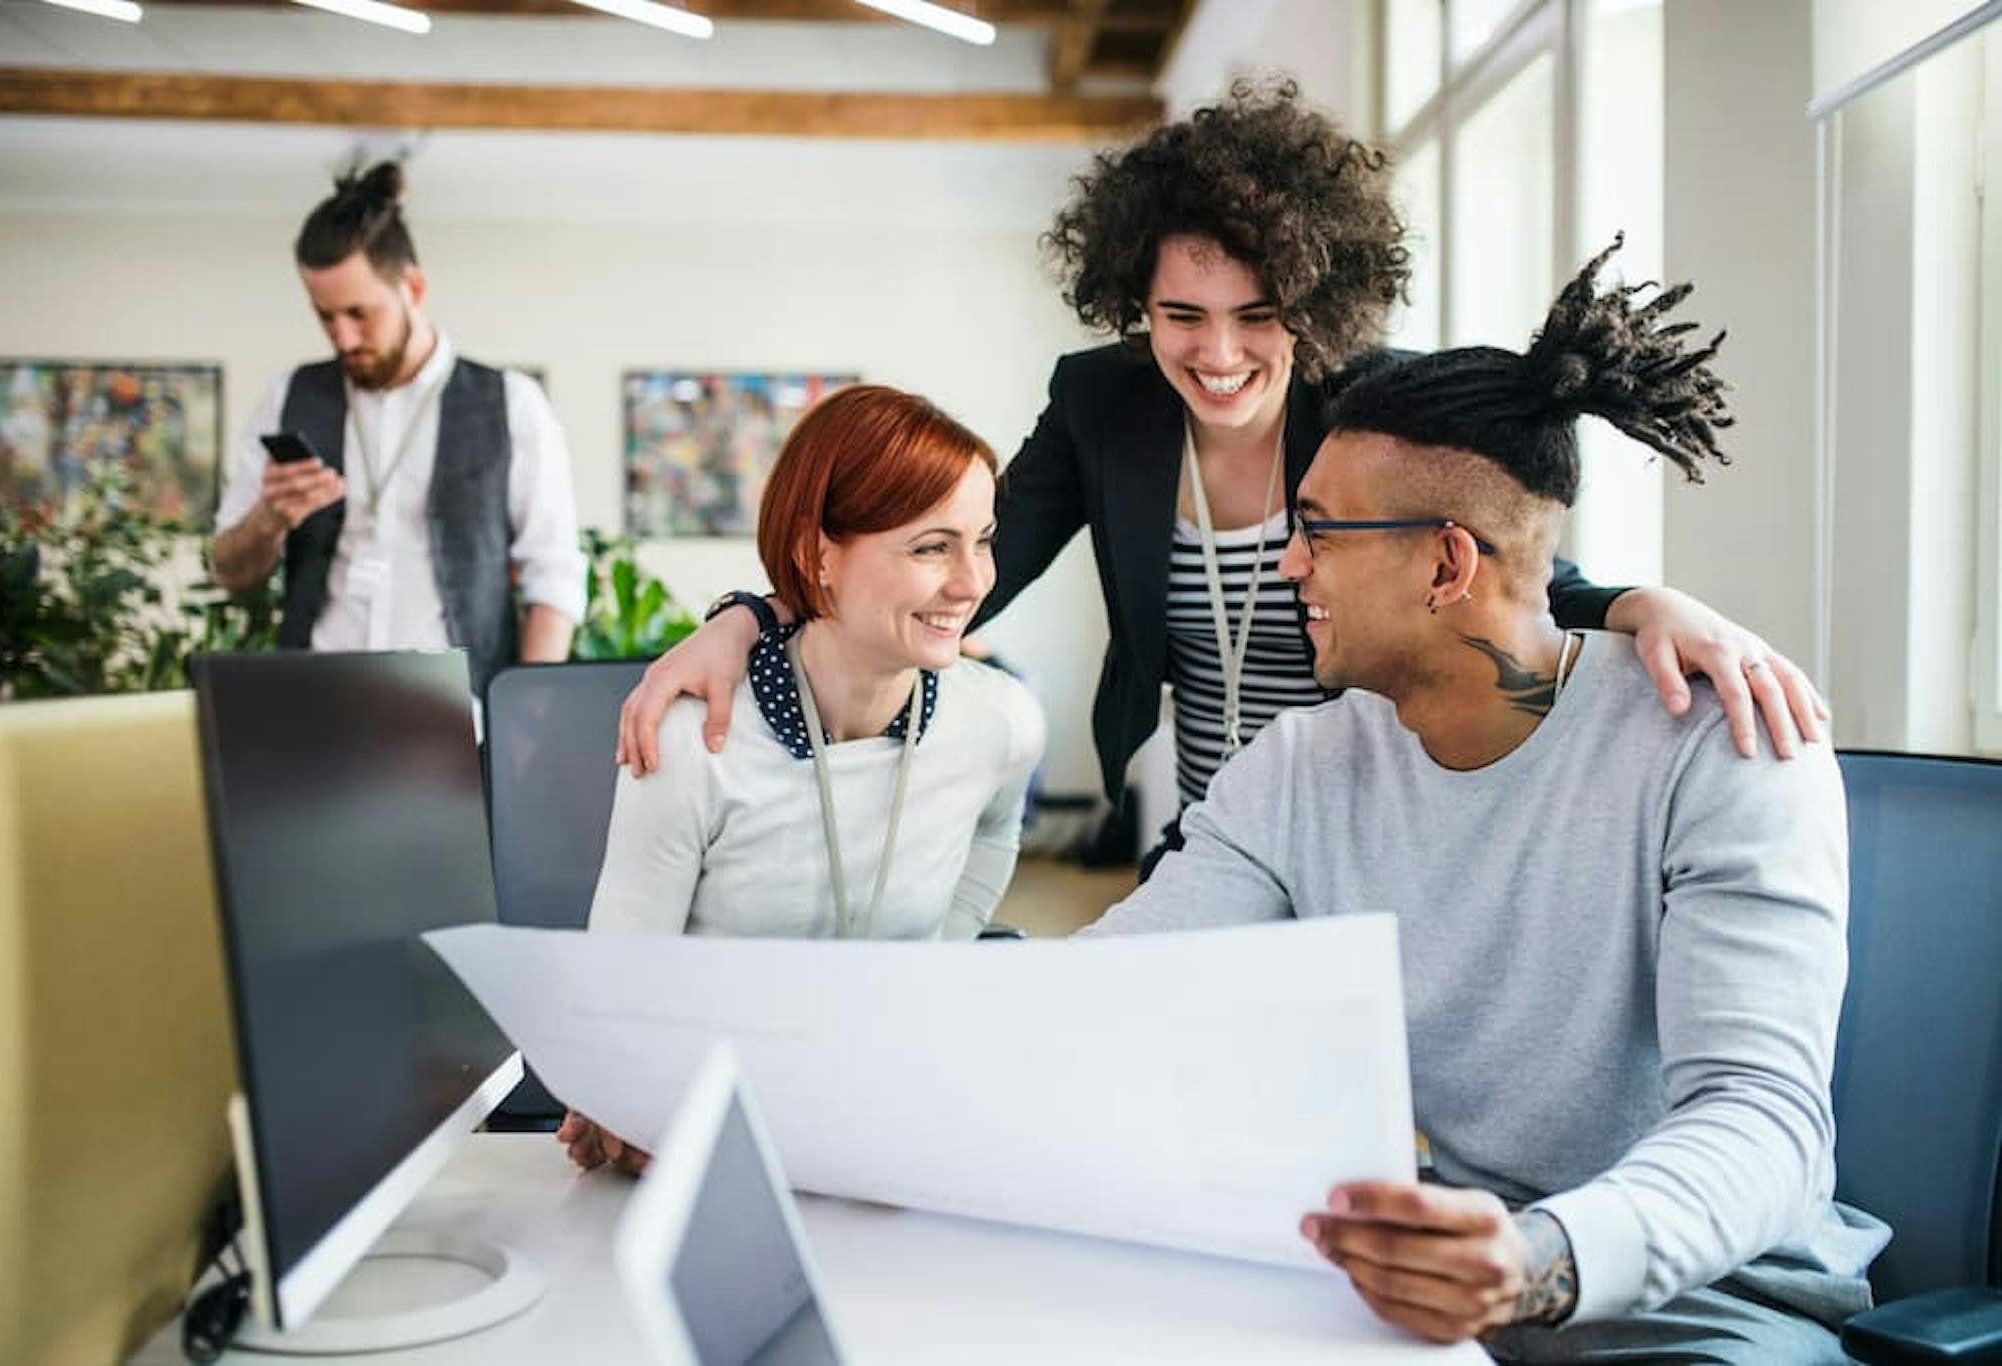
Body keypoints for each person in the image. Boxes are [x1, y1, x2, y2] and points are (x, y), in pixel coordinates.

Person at [613, 79, 1826, 864]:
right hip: (1210, 828)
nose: (1220, 352)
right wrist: (752, 617)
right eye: (1178, 313)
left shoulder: (1371, 408)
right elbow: (952, 566)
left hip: (1377, 819)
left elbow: (1499, 562)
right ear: (1129, 304)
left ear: (1312, 298)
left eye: (1257, 312)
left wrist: (1640, 603)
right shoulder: (1101, 403)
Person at [1081, 240, 1887, 1361]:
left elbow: (1763, 1127)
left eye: (1315, 533)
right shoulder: (1301, 769)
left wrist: (1534, 1261)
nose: (1287, 568)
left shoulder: (1725, 747)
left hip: (1703, 1301)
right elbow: (1104, 996)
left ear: (1447, 565)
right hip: (1432, 1279)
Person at [561, 384, 1046, 1175]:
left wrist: (935, 960)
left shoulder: (1000, 724)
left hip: (888, 1127)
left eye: (981, 540)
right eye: (931, 547)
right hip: (716, 1134)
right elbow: (621, 989)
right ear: (820, 553)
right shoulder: (694, 742)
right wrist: (623, 1096)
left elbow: (996, 831)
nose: (972, 582)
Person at [211, 163, 585, 696]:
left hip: (457, 718)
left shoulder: (513, 404)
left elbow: (554, 579)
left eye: (359, 313)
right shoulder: (288, 396)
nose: (342, 337)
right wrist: (268, 520)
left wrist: (527, 720)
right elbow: (230, 570)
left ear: (413, 286)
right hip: (310, 710)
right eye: (325, 316)